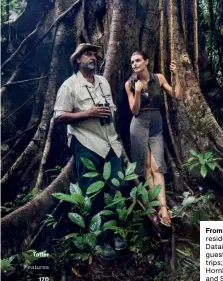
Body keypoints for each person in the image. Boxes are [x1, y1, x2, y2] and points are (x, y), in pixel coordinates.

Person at [54, 43, 126, 259]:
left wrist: (106, 112)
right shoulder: (69, 86)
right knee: (92, 192)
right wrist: (88, 113)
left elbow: (111, 107)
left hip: (111, 143)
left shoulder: (103, 82)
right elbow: (58, 117)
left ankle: (113, 232)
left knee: (116, 187)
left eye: (94, 54)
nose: (92, 57)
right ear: (78, 60)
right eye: (88, 54)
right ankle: (100, 239)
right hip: (86, 144)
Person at [125, 51, 183, 226]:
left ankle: (163, 207)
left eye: (138, 60)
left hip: (156, 124)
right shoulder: (129, 83)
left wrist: (176, 75)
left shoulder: (158, 78)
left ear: (146, 61)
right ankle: (158, 207)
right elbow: (134, 111)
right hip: (139, 124)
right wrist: (136, 92)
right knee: (147, 166)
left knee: (158, 165)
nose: (134, 64)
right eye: (132, 62)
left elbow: (178, 95)